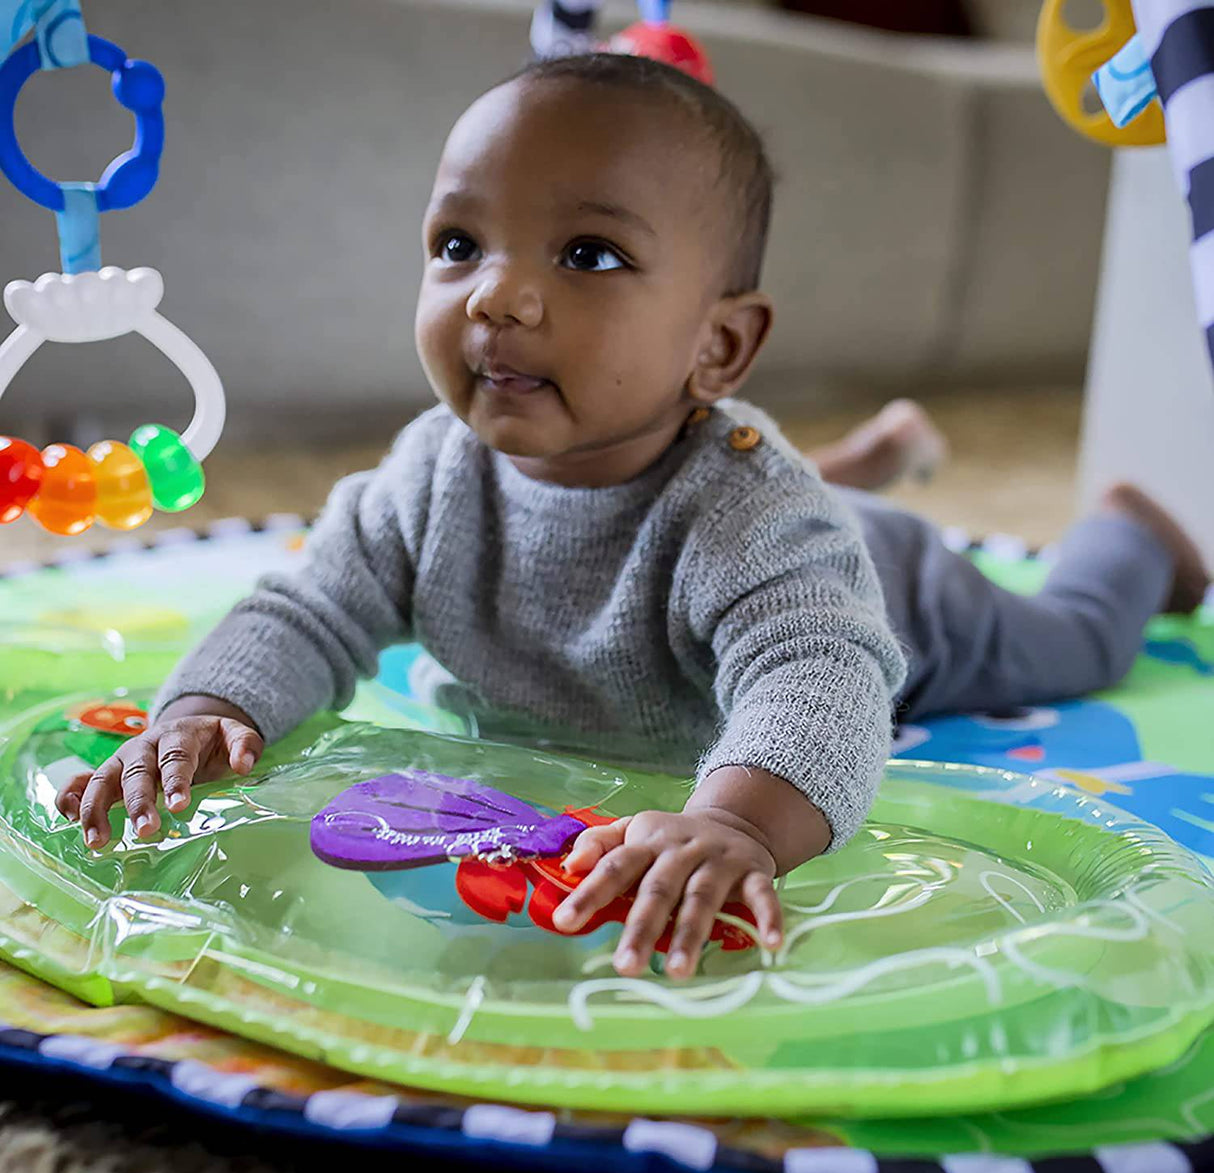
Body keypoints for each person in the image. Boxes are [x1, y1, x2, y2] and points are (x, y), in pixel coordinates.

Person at [55, 53, 1208, 981]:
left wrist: (741, 824)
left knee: (1072, 638)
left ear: (717, 345)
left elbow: (818, 674)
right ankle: (862, 461)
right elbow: (307, 604)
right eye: (459, 244)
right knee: (796, 504)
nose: (496, 293)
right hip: (767, 505)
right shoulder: (427, 475)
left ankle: (1130, 535)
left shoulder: (749, 522)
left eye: (588, 254)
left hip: (897, 597)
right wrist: (206, 707)